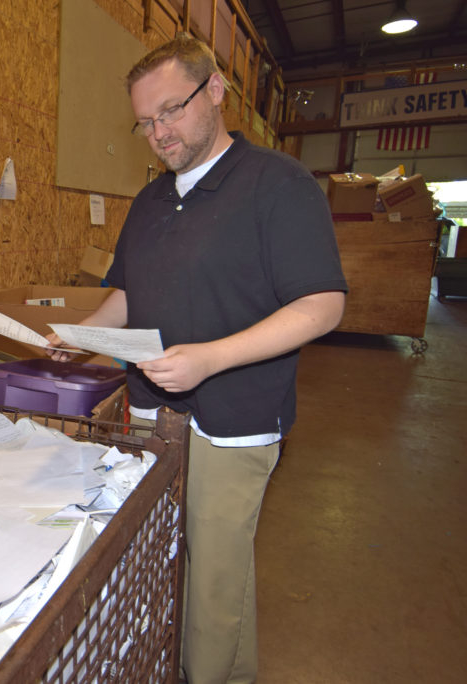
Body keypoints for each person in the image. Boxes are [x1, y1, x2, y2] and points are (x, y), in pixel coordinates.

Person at [47, 35, 348, 684]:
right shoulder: (152, 200)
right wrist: (83, 334)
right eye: (146, 121)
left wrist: (211, 359)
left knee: (212, 573)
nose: (159, 132)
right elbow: (126, 294)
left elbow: (321, 304)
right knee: (176, 554)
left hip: (233, 416)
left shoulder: (277, 184)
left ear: (216, 90)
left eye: (172, 110)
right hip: (155, 411)